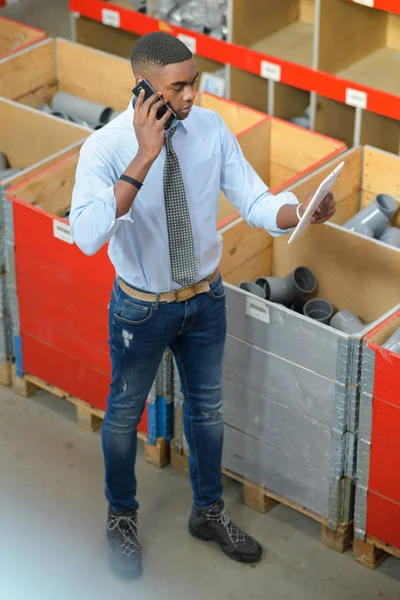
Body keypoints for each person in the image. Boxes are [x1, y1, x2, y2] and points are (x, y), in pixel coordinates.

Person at [70, 31, 336, 580]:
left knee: (207, 413)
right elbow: (88, 235)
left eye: (197, 82)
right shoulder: (105, 148)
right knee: (123, 418)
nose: (193, 96)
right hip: (141, 310)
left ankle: (208, 512)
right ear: (142, 87)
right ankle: (121, 517)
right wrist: (145, 156)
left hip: (206, 300)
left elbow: (256, 200)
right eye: (179, 86)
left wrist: (298, 212)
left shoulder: (211, 130)